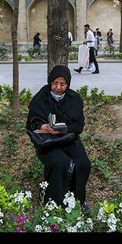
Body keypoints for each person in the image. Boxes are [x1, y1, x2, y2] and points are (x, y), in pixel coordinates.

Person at [26, 65, 91, 209]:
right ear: (50, 82)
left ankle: (77, 199)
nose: (59, 87)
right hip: (48, 142)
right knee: (61, 163)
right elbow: (31, 122)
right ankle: (54, 203)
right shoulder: (41, 97)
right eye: (55, 83)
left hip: (68, 139)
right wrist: (44, 127)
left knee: (83, 163)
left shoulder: (74, 98)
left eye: (63, 84)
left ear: (68, 84)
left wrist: (64, 130)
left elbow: (79, 125)